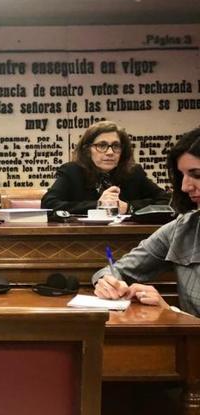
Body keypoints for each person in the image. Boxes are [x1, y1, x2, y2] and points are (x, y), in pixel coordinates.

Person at [93, 126, 200, 316]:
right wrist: (109, 282)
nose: (185, 186)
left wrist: (171, 312)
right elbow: (114, 271)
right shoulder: (183, 228)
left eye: (196, 175)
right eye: (181, 175)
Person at [41, 121, 169, 214]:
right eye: (102, 145)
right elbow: (48, 204)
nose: (110, 152)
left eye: (116, 146)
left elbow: (167, 200)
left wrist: (128, 207)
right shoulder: (72, 172)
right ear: (87, 150)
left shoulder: (134, 173)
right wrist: (98, 205)